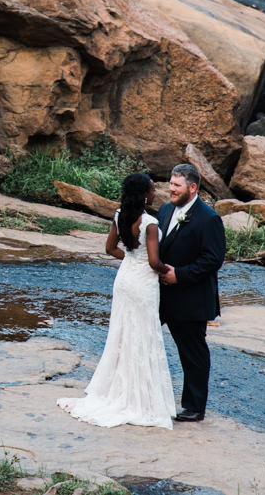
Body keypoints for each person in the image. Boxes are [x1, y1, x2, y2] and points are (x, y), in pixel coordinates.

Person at [57, 172, 175, 429]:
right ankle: (139, 398)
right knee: (143, 334)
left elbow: (110, 248)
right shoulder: (150, 223)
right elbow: (154, 262)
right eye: (153, 189)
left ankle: (118, 389)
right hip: (143, 284)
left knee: (122, 333)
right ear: (144, 194)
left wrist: (132, 261)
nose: (155, 193)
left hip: (125, 280)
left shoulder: (120, 215)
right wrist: (169, 271)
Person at [156, 162, 226, 423]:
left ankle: (194, 407)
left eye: (176, 185)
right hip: (161, 296)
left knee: (193, 354)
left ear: (192, 188)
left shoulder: (208, 219)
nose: (171, 189)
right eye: (170, 184)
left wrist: (180, 275)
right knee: (142, 339)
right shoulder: (165, 210)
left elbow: (213, 259)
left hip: (191, 299)